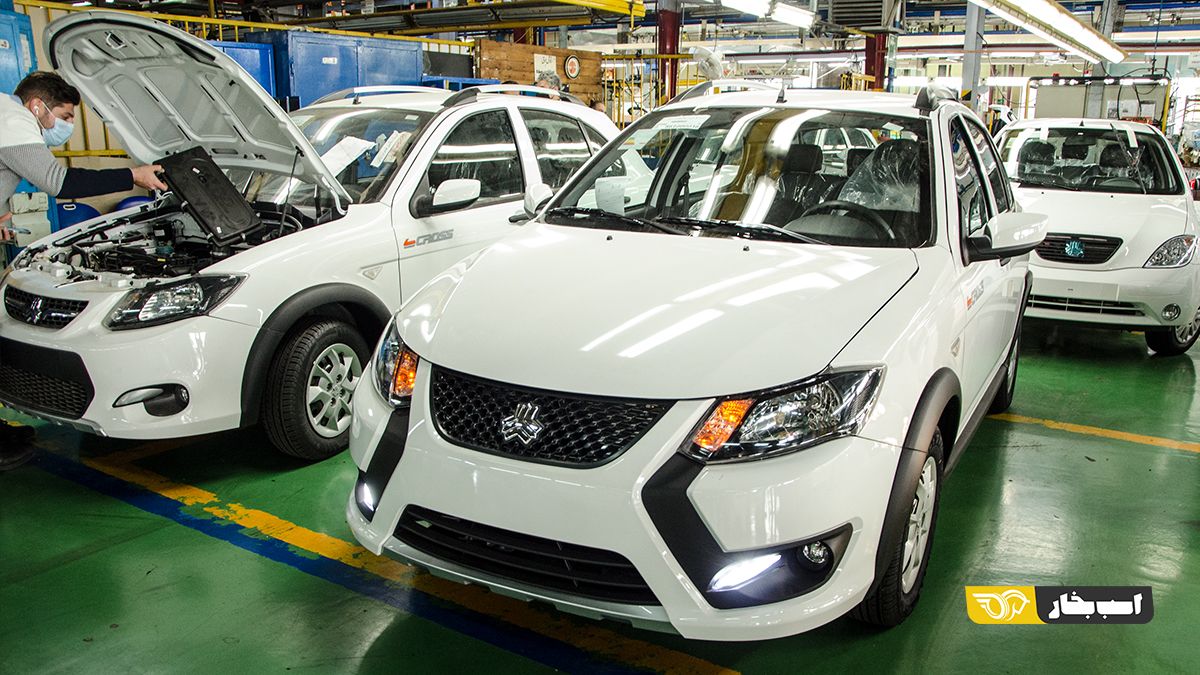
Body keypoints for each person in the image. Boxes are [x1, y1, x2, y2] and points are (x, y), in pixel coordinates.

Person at [0, 71, 168, 469]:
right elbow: (57, 181)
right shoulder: (13, 119)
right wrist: (134, 175)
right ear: (37, 106)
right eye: (64, 116)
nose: (67, 127)